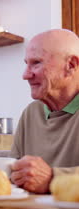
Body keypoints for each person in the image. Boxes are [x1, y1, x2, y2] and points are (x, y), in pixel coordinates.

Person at [10, 29, 79, 194]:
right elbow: (13, 171)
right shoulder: (31, 113)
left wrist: (53, 178)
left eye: (36, 63)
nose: (25, 75)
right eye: (26, 63)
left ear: (71, 65)